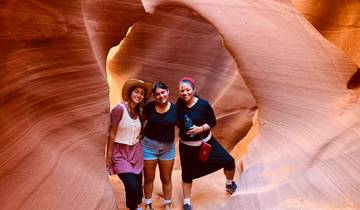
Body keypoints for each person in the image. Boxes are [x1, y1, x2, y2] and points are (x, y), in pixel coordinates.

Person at [176, 77, 237, 210]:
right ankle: (186, 202)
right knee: (187, 174)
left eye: (187, 90)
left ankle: (229, 183)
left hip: (206, 142)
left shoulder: (203, 104)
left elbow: (212, 121)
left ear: (194, 90)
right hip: (187, 147)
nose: (185, 93)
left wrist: (200, 129)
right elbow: (177, 119)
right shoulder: (179, 103)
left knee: (229, 161)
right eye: (182, 91)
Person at [106, 79, 152, 210]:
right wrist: (108, 157)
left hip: (136, 152)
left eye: (142, 93)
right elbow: (112, 134)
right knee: (132, 185)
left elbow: (140, 131)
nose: (139, 95)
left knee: (137, 190)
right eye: (136, 92)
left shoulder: (139, 113)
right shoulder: (119, 109)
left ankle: (133, 205)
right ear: (130, 93)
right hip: (120, 152)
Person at [142, 81, 177, 210]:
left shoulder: (175, 109)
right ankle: (148, 204)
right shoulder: (149, 108)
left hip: (167, 147)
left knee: (166, 178)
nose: (161, 96)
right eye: (157, 94)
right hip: (149, 146)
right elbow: (141, 121)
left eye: (163, 92)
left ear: (167, 91)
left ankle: (167, 204)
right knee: (149, 178)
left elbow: (183, 125)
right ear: (154, 96)